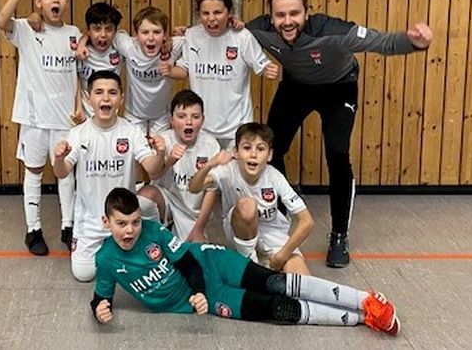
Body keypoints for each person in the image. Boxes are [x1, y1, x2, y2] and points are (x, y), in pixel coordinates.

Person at [246, 0, 433, 268]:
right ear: (271, 17)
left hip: (339, 88)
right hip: (296, 87)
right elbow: (226, 33)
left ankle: (339, 234)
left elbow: (380, 42)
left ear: (307, 13)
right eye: (280, 15)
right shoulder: (259, 29)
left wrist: (414, 42)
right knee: (271, 149)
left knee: (337, 153)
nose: (287, 21)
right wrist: (186, 34)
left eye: (294, 14)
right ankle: (280, 212)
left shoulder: (333, 31)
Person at [92, 187, 400, 336]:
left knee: (274, 282)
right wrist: (99, 310)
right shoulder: (105, 260)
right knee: (277, 309)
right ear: (107, 222)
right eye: (122, 224)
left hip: (210, 264)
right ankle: (362, 318)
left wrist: (196, 291)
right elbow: (100, 297)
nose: (130, 230)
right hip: (210, 296)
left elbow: (187, 263)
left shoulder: (152, 230)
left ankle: (366, 300)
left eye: (135, 222)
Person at [53, 71, 165, 281]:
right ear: (88, 98)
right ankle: (110, 251)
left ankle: (150, 230)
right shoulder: (78, 133)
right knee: (83, 274)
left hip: (124, 222)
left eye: (112, 93)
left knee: (147, 268)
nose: (106, 98)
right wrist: (59, 158)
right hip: (90, 223)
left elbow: (153, 169)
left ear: (121, 99)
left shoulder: (131, 132)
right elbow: (62, 172)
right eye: (99, 92)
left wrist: (160, 154)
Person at [0, 0, 80, 256]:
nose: (56, 0)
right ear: (39, 1)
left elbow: (77, 74)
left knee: (65, 174)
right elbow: (1, 21)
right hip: (33, 120)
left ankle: (68, 227)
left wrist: (79, 105)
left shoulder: (73, 33)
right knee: (33, 172)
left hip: (65, 120)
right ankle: (33, 230)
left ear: (66, 2)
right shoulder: (26, 28)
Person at [188, 123, 313, 274]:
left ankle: (265, 267)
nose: (253, 154)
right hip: (238, 230)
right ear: (236, 152)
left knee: (300, 279)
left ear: (269, 155)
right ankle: (251, 265)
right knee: (247, 205)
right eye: (247, 148)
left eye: (260, 149)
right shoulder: (227, 170)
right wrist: (210, 164)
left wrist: (282, 256)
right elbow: (193, 187)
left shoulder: (275, 177)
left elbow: (307, 221)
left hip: (273, 235)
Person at [170, 0, 279, 148]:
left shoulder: (242, 37)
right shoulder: (191, 35)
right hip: (200, 129)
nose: (211, 18)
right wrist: (166, 70)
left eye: (217, 12)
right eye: (205, 13)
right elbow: (184, 69)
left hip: (237, 129)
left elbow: (262, 65)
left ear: (229, 13)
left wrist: (269, 70)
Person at [138, 90, 232, 242]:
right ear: (171, 120)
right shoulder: (163, 140)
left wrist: (199, 229)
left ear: (203, 120)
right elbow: (153, 175)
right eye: (181, 116)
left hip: (193, 212)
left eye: (195, 117)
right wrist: (169, 160)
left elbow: (211, 191)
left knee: (192, 252)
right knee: (145, 197)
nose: (189, 122)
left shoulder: (210, 145)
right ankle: (155, 238)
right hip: (167, 200)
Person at [112, 6, 184, 136]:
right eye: (145, 32)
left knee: (160, 148)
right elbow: (112, 34)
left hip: (161, 116)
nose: (151, 38)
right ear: (136, 35)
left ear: (165, 34)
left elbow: (197, 37)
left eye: (156, 32)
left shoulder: (174, 46)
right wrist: (82, 42)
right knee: (136, 148)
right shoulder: (129, 47)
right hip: (134, 115)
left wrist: (183, 31)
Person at [75, 2, 123, 122]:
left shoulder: (120, 48)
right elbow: (76, 79)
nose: (103, 34)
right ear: (88, 31)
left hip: (110, 114)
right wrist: (78, 106)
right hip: (85, 115)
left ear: (115, 31)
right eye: (97, 29)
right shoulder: (80, 51)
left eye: (108, 29)